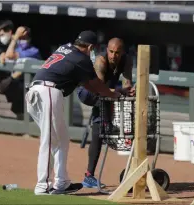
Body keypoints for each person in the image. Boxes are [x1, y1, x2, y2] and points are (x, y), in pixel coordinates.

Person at [25, 31, 121, 195]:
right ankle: (43, 185)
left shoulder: (65, 48)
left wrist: (108, 92)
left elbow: (88, 85)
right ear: (90, 47)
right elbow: (95, 84)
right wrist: (113, 94)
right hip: (47, 91)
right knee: (49, 141)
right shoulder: (81, 58)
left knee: (61, 140)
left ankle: (61, 183)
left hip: (38, 91)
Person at [77, 37, 135, 188]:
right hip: (88, 92)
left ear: (122, 52)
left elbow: (127, 83)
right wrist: (118, 92)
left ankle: (89, 175)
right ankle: (89, 176)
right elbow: (99, 90)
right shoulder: (101, 61)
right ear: (107, 50)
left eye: (117, 52)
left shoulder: (127, 60)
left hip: (106, 91)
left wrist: (128, 90)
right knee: (100, 125)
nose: (113, 56)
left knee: (101, 126)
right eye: (111, 51)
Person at [0, 23, 41, 119]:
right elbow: (7, 55)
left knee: (22, 101)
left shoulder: (34, 51)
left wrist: (15, 37)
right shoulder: (17, 48)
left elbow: (9, 55)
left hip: (30, 84)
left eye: (24, 38)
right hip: (16, 82)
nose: (22, 41)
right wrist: (3, 54)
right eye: (21, 39)